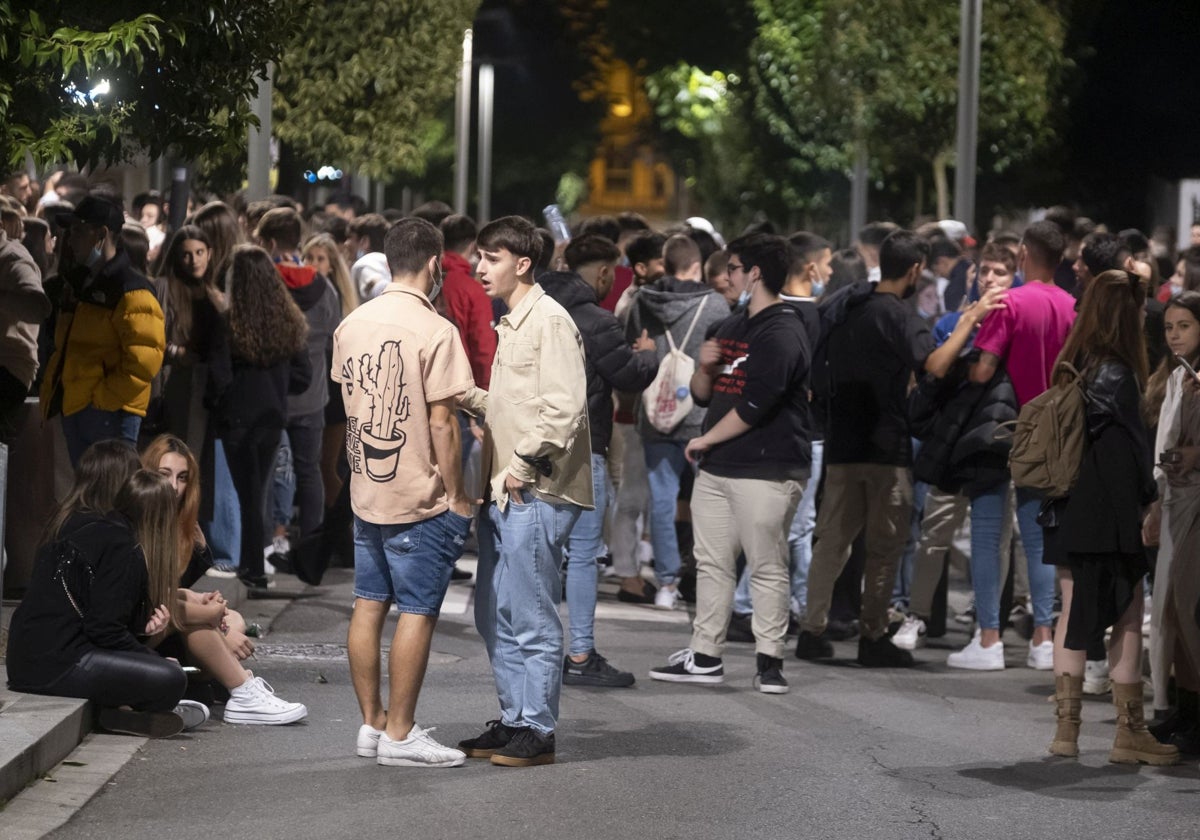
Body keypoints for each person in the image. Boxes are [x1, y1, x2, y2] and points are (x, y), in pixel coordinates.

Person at [795, 230, 1002, 667]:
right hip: (885, 448)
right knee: (885, 547)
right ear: (913, 270)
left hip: (841, 445)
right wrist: (971, 319)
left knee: (832, 542)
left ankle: (811, 631)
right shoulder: (899, 314)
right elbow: (935, 364)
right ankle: (873, 636)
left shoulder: (846, 305)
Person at [332, 218, 476, 767]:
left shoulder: (353, 323)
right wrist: (459, 494)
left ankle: (372, 723)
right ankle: (400, 732)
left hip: (368, 488)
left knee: (368, 604)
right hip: (419, 495)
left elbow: (349, 404)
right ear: (436, 264)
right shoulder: (435, 330)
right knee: (417, 609)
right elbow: (444, 422)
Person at [457, 215, 593, 768]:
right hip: (510, 489)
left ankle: (537, 727)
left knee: (530, 613)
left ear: (523, 263)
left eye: (491, 258)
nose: (479, 266)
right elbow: (517, 405)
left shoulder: (550, 321)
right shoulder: (514, 320)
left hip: (535, 489)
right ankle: (517, 719)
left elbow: (565, 408)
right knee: (498, 613)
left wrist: (520, 467)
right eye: (479, 256)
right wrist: (465, 395)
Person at [649, 233, 811, 692]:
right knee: (712, 564)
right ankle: (705, 656)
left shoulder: (783, 330)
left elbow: (757, 404)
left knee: (766, 565)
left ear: (754, 273)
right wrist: (704, 368)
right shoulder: (733, 324)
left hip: (768, 467)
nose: (727, 276)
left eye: (735, 268)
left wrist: (704, 442)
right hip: (720, 467)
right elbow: (705, 396)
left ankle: (770, 663)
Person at [1041, 270, 1177, 765]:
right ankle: (1129, 733)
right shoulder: (1120, 374)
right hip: (1110, 515)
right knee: (1125, 616)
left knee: (1070, 614)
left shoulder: (1071, 363)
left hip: (1065, 509)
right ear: (1126, 315)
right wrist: (1148, 503)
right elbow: (1131, 458)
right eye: (1140, 311)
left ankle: (1066, 732)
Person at [6, 446, 195, 737]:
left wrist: (142, 634)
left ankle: (120, 715)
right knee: (170, 676)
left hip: (28, 659)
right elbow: (103, 629)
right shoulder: (121, 544)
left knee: (161, 669)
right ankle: (121, 712)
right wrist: (149, 655)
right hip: (59, 662)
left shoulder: (80, 526)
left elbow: (101, 615)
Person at [957, 221, 1077, 671]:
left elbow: (983, 372)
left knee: (988, 534)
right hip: (1049, 429)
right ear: (1061, 258)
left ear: (1024, 252)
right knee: (1039, 537)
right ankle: (1043, 638)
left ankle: (989, 640)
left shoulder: (1010, 303)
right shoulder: (1070, 306)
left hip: (1001, 428)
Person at [540, 234, 658, 688]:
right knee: (584, 555)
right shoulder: (597, 319)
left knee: (542, 553)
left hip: (535, 448)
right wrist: (647, 357)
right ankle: (581, 653)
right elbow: (626, 374)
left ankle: (541, 650)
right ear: (605, 272)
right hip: (584, 446)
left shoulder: (533, 309)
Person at [143, 434, 308, 724]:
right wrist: (209, 613)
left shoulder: (184, 527)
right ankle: (243, 689)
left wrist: (205, 605)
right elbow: (151, 599)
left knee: (233, 619)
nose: (173, 486)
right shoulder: (140, 522)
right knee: (206, 622)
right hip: (142, 628)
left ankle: (231, 680)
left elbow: (168, 591)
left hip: (164, 624)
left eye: (182, 478)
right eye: (164, 474)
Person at [624, 234, 729, 609]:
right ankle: (705, 577)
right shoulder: (715, 305)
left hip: (656, 411)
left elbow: (631, 348)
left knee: (662, 498)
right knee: (708, 501)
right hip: (702, 414)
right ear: (697, 267)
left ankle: (666, 582)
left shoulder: (642, 301)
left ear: (664, 265)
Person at [205, 245, 311, 592]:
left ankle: (252, 569)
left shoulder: (227, 323)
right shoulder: (287, 320)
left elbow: (219, 377)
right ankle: (254, 566)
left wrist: (218, 403)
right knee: (257, 492)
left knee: (247, 493)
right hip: (271, 419)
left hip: (237, 419)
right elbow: (303, 376)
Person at [41, 195, 166, 465]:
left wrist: (102, 399)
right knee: (86, 500)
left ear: (101, 235)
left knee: (109, 499)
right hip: (81, 406)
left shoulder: (131, 288)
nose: (70, 240)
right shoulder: (80, 283)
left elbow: (144, 361)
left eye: (78, 231)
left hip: (108, 414)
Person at [257, 208, 341, 553]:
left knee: (266, 471)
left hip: (273, 393)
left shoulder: (265, 282)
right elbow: (335, 333)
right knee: (310, 472)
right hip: (313, 394)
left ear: (271, 242)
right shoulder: (324, 288)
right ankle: (312, 547)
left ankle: (264, 542)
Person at [1143, 292, 1200, 750]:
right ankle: (1180, 708)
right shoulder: (1178, 376)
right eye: (1169, 326)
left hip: (1193, 503)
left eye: (1185, 325)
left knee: (1186, 607)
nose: (1175, 334)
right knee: (1171, 608)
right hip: (1173, 498)